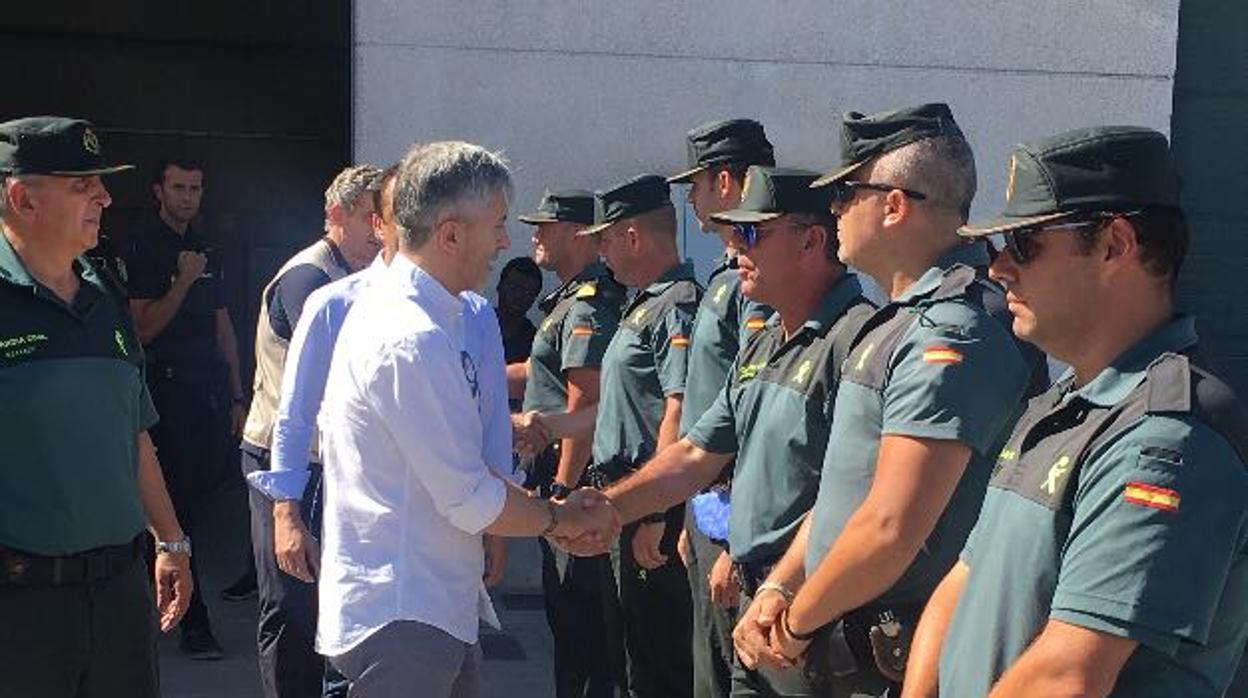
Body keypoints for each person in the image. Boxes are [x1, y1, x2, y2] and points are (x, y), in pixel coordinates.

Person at [903, 126, 1248, 698]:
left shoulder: (1168, 437)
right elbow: (968, 577)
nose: (998, 269)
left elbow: (1069, 676)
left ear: (1115, 243)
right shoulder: (1065, 404)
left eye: (1024, 243)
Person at [733, 104, 1034, 697]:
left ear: (893, 205)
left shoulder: (953, 330)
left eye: (845, 194)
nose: (835, 210)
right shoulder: (900, 322)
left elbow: (892, 526)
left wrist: (794, 622)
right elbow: (850, 495)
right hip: (840, 633)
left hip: (887, 660)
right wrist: (782, 585)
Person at [316, 141, 617, 698]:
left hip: (429, 605)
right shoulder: (411, 337)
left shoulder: (434, 319)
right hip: (404, 619)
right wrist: (558, 518)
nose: (505, 242)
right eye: (498, 225)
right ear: (451, 234)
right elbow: (469, 497)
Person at [562, 166, 877, 697]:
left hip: (810, 618)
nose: (733, 247)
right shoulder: (763, 343)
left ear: (811, 241)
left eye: (752, 232)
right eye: (734, 231)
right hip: (754, 608)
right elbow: (695, 453)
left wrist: (780, 584)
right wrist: (613, 507)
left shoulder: (857, 344)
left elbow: (849, 498)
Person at [0, 115, 192, 697]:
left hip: (119, 596)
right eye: (82, 184)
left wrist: (172, 542)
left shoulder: (105, 294)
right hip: (21, 608)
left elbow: (134, 435)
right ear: (20, 197)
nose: (104, 197)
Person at [240, 163, 382, 698]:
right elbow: (343, 371)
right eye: (368, 216)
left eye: (385, 217)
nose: (378, 230)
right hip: (286, 464)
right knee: (291, 602)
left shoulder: (361, 279)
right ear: (335, 216)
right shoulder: (309, 280)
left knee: (336, 599)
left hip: (335, 463)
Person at [573, 173, 702, 697]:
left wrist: (658, 513)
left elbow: (680, 405)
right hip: (622, 499)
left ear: (632, 237)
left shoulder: (677, 304)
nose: (598, 250)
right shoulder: (643, 302)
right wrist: (547, 426)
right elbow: (619, 411)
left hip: (647, 503)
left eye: (604, 238)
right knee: (627, 652)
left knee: (656, 663)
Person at [667, 118, 776, 698]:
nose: (691, 197)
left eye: (698, 184)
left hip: (738, 511)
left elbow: (756, 413)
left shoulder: (759, 279)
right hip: (710, 503)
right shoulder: (725, 275)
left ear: (727, 180)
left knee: (731, 672)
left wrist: (734, 537)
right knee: (707, 669)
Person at [123, 153, 245, 658]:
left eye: (195, 189)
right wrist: (183, 280)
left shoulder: (205, 247)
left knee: (196, 503)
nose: (188, 198)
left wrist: (239, 395)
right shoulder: (142, 246)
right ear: (158, 191)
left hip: (208, 396)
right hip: (164, 396)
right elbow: (144, 327)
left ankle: (172, 613)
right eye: (178, 188)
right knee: (173, 513)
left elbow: (222, 325)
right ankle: (191, 624)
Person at [512, 188, 627, 696]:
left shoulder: (588, 305)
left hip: (572, 478)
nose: (535, 234)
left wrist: (560, 494)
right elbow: (543, 373)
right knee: (570, 627)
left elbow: (584, 405)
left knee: (581, 628)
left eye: (546, 226)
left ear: (580, 233)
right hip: (560, 473)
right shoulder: (569, 300)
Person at [496, 255, 543, 363]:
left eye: (528, 292)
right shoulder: (477, 324)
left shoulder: (535, 343)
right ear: (500, 286)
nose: (519, 296)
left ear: (534, 299)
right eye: (514, 288)